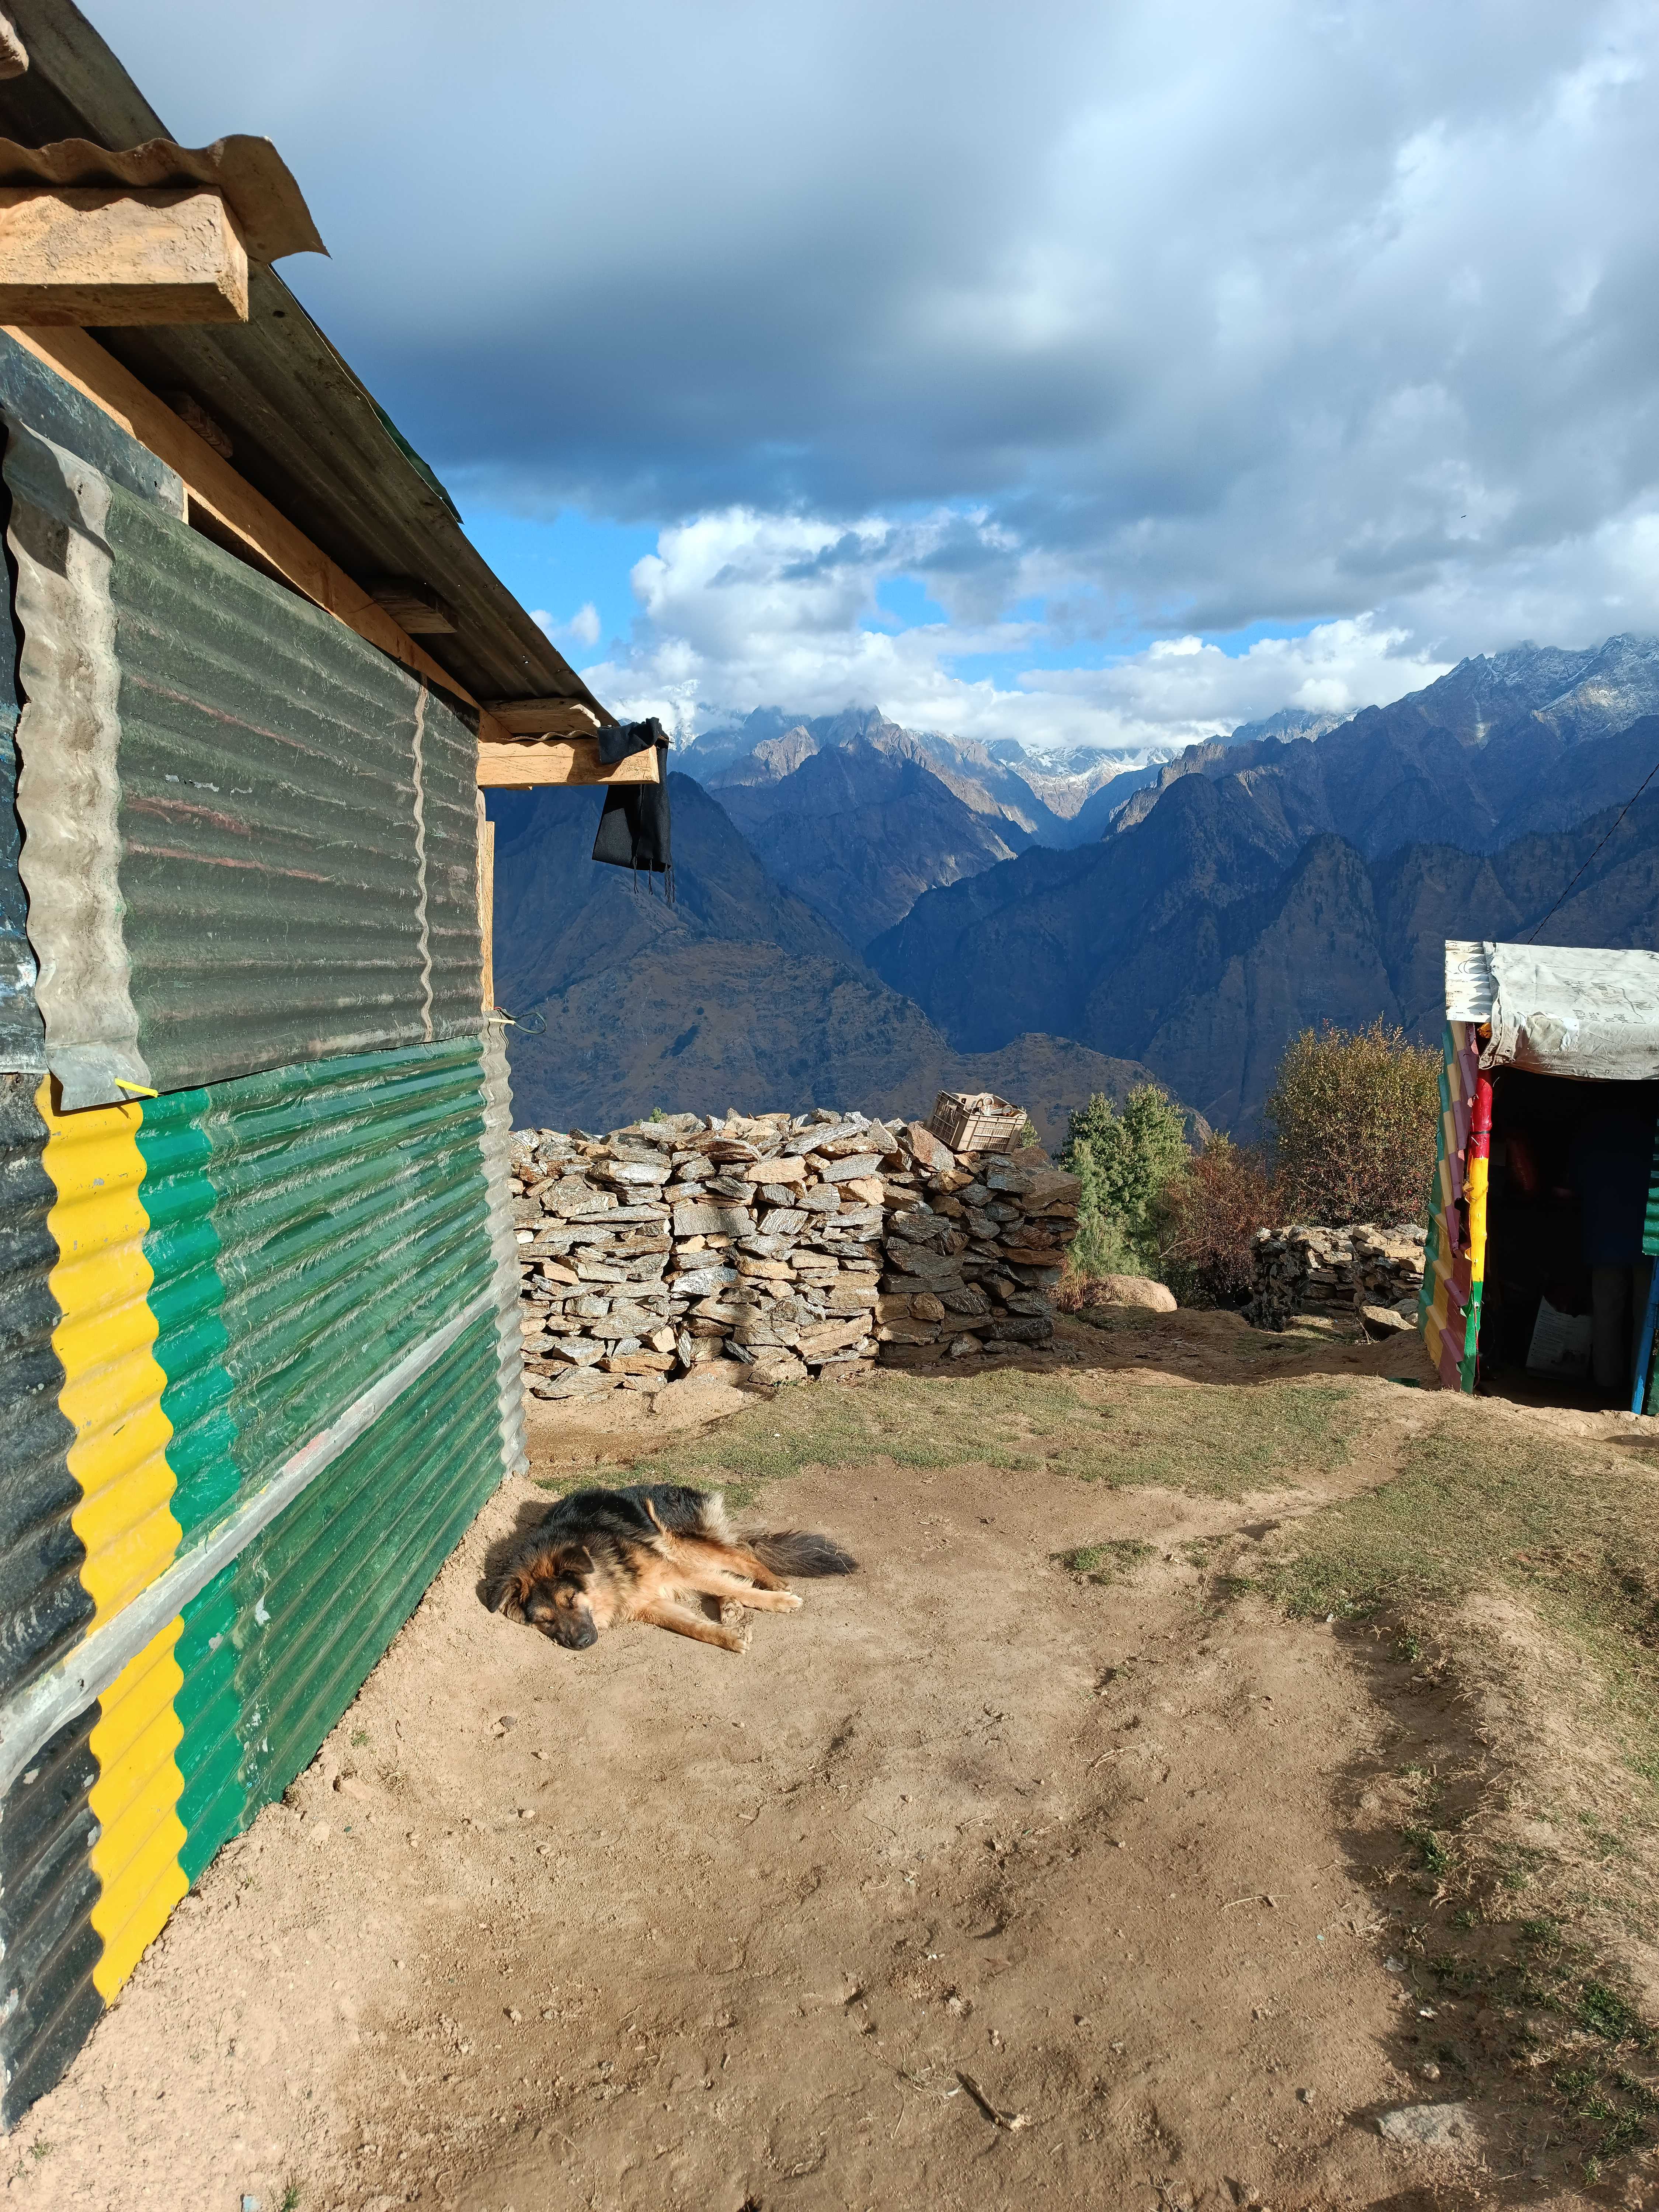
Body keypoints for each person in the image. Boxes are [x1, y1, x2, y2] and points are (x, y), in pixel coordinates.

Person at [1567, 1102, 1657, 1399]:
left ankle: (1605, 1385)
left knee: (1607, 1312)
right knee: (1645, 1316)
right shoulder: (1651, 1131)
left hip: (1604, 1237)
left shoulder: (1591, 1132)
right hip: (1650, 1239)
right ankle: (1639, 1388)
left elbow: (1573, 1185)